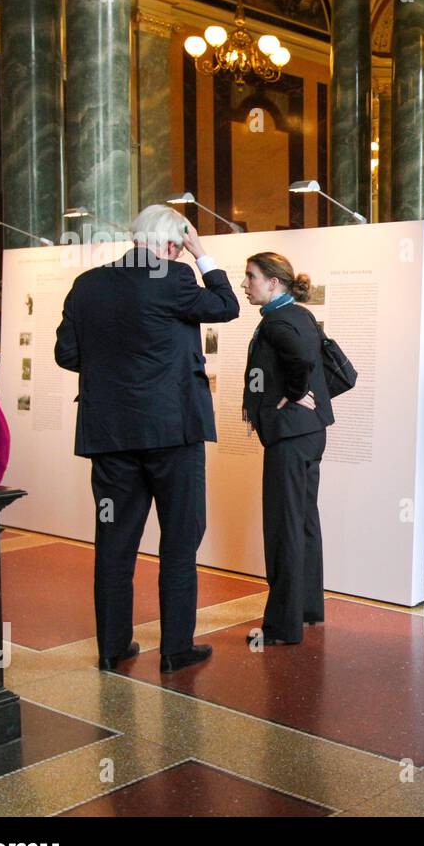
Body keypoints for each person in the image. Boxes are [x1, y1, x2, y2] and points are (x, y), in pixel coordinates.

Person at [54, 205, 239, 673]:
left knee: (114, 544)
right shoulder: (175, 277)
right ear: (173, 242)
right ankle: (175, 649)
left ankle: (113, 648)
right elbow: (227, 306)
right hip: (172, 434)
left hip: (110, 437)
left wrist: (113, 374)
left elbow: (66, 354)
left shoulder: (86, 285)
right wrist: (203, 254)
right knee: (179, 541)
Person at [240, 252, 334, 645]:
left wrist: (293, 394)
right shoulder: (299, 315)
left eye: (251, 277)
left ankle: (282, 626)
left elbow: (300, 359)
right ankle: (307, 608)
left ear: (273, 283)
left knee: (284, 526)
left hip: (291, 436)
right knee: (304, 521)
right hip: (310, 433)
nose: (245, 284)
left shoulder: (278, 321)